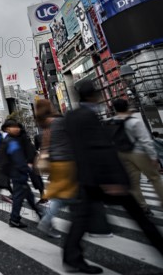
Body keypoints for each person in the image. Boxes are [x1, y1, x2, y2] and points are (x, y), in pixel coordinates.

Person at [63, 80, 163, 274]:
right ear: (92, 96)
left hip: (86, 176)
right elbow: (98, 148)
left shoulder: (72, 116)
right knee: (141, 219)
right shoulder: (88, 117)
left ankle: (71, 257)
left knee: (81, 219)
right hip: (106, 178)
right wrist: (111, 179)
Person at [112, 98, 163, 216]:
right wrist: (153, 156)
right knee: (155, 177)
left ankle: (143, 207)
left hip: (123, 154)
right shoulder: (134, 121)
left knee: (134, 183)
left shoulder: (112, 121)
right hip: (139, 153)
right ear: (127, 106)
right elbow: (145, 141)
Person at [35, 100, 75, 239]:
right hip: (66, 161)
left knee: (63, 195)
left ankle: (47, 215)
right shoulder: (58, 121)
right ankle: (46, 218)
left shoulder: (43, 124)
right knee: (69, 194)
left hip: (54, 163)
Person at [0, 119, 43, 229]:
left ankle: (38, 214)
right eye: (14, 127)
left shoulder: (13, 139)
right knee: (19, 197)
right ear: (7, 129)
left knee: (29, 196)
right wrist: (27, 169)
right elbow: (17, 159)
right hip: (18, 173)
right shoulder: (11, 141)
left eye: (18, 126)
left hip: (17, 173)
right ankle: (14, 219)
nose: (17, 128)